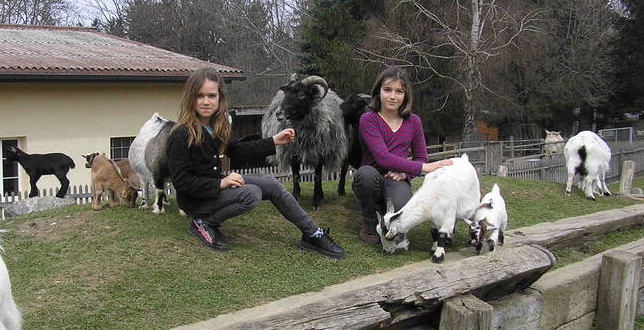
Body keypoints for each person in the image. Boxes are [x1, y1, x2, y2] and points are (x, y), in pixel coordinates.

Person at [166, 67, 345, 259]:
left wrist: (275, 140)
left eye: (212, 95)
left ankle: (313, 234)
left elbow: (239, 151)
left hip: (214, 187)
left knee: (272, 184)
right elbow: (182, 182)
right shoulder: (181, 134)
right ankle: (203, 222)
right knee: (251, 194)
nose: (206, 101)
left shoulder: (213, 127)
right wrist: (220, 183)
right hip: (196, 201)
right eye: (199, 96)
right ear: (190, 98)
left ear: (220, 98)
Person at [352, 67, 453, 245]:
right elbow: (383, 157)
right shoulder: (368, 119)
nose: (393, 96)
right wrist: (425, 169)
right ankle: (369, 221)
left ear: (406, 95)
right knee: (365, 175)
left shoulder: (414, 121)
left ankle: (385, 211)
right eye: (387, 90)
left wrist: (406, 174)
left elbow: (421, 157)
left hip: (396, 178)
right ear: (378, 92)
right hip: (371, 175)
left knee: (403, 207)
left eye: (399, 91)